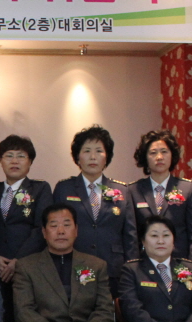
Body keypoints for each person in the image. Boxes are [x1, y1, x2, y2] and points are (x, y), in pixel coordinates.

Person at [52, 125, 136, 297]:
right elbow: (53, 230)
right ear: (78, 157)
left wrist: (132, 271)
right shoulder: (64, 188)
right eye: (87, 151)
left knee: (111, 312)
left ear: (107, 157)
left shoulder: (122, 191)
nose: (92, 157)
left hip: (113, 268)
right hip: (73, 267)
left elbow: (130, 237)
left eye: (99, 151)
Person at [0, 134, 53, 322]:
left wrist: (19, 261)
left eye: (21, 156)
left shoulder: (40, 189)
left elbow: (41, 228)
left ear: (30, 161)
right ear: (0, 160)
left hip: (30, 267)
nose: (14, 161)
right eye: (9, 156)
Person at [126, 130, 192, 262]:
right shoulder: (133, 190)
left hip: (180, 262)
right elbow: (131, 234)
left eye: (164, 151)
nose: (159, 157)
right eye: (153, 153)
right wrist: (133, 266)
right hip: (144, 263)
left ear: (172, 155)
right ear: (145, 157)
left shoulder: (187, 188)